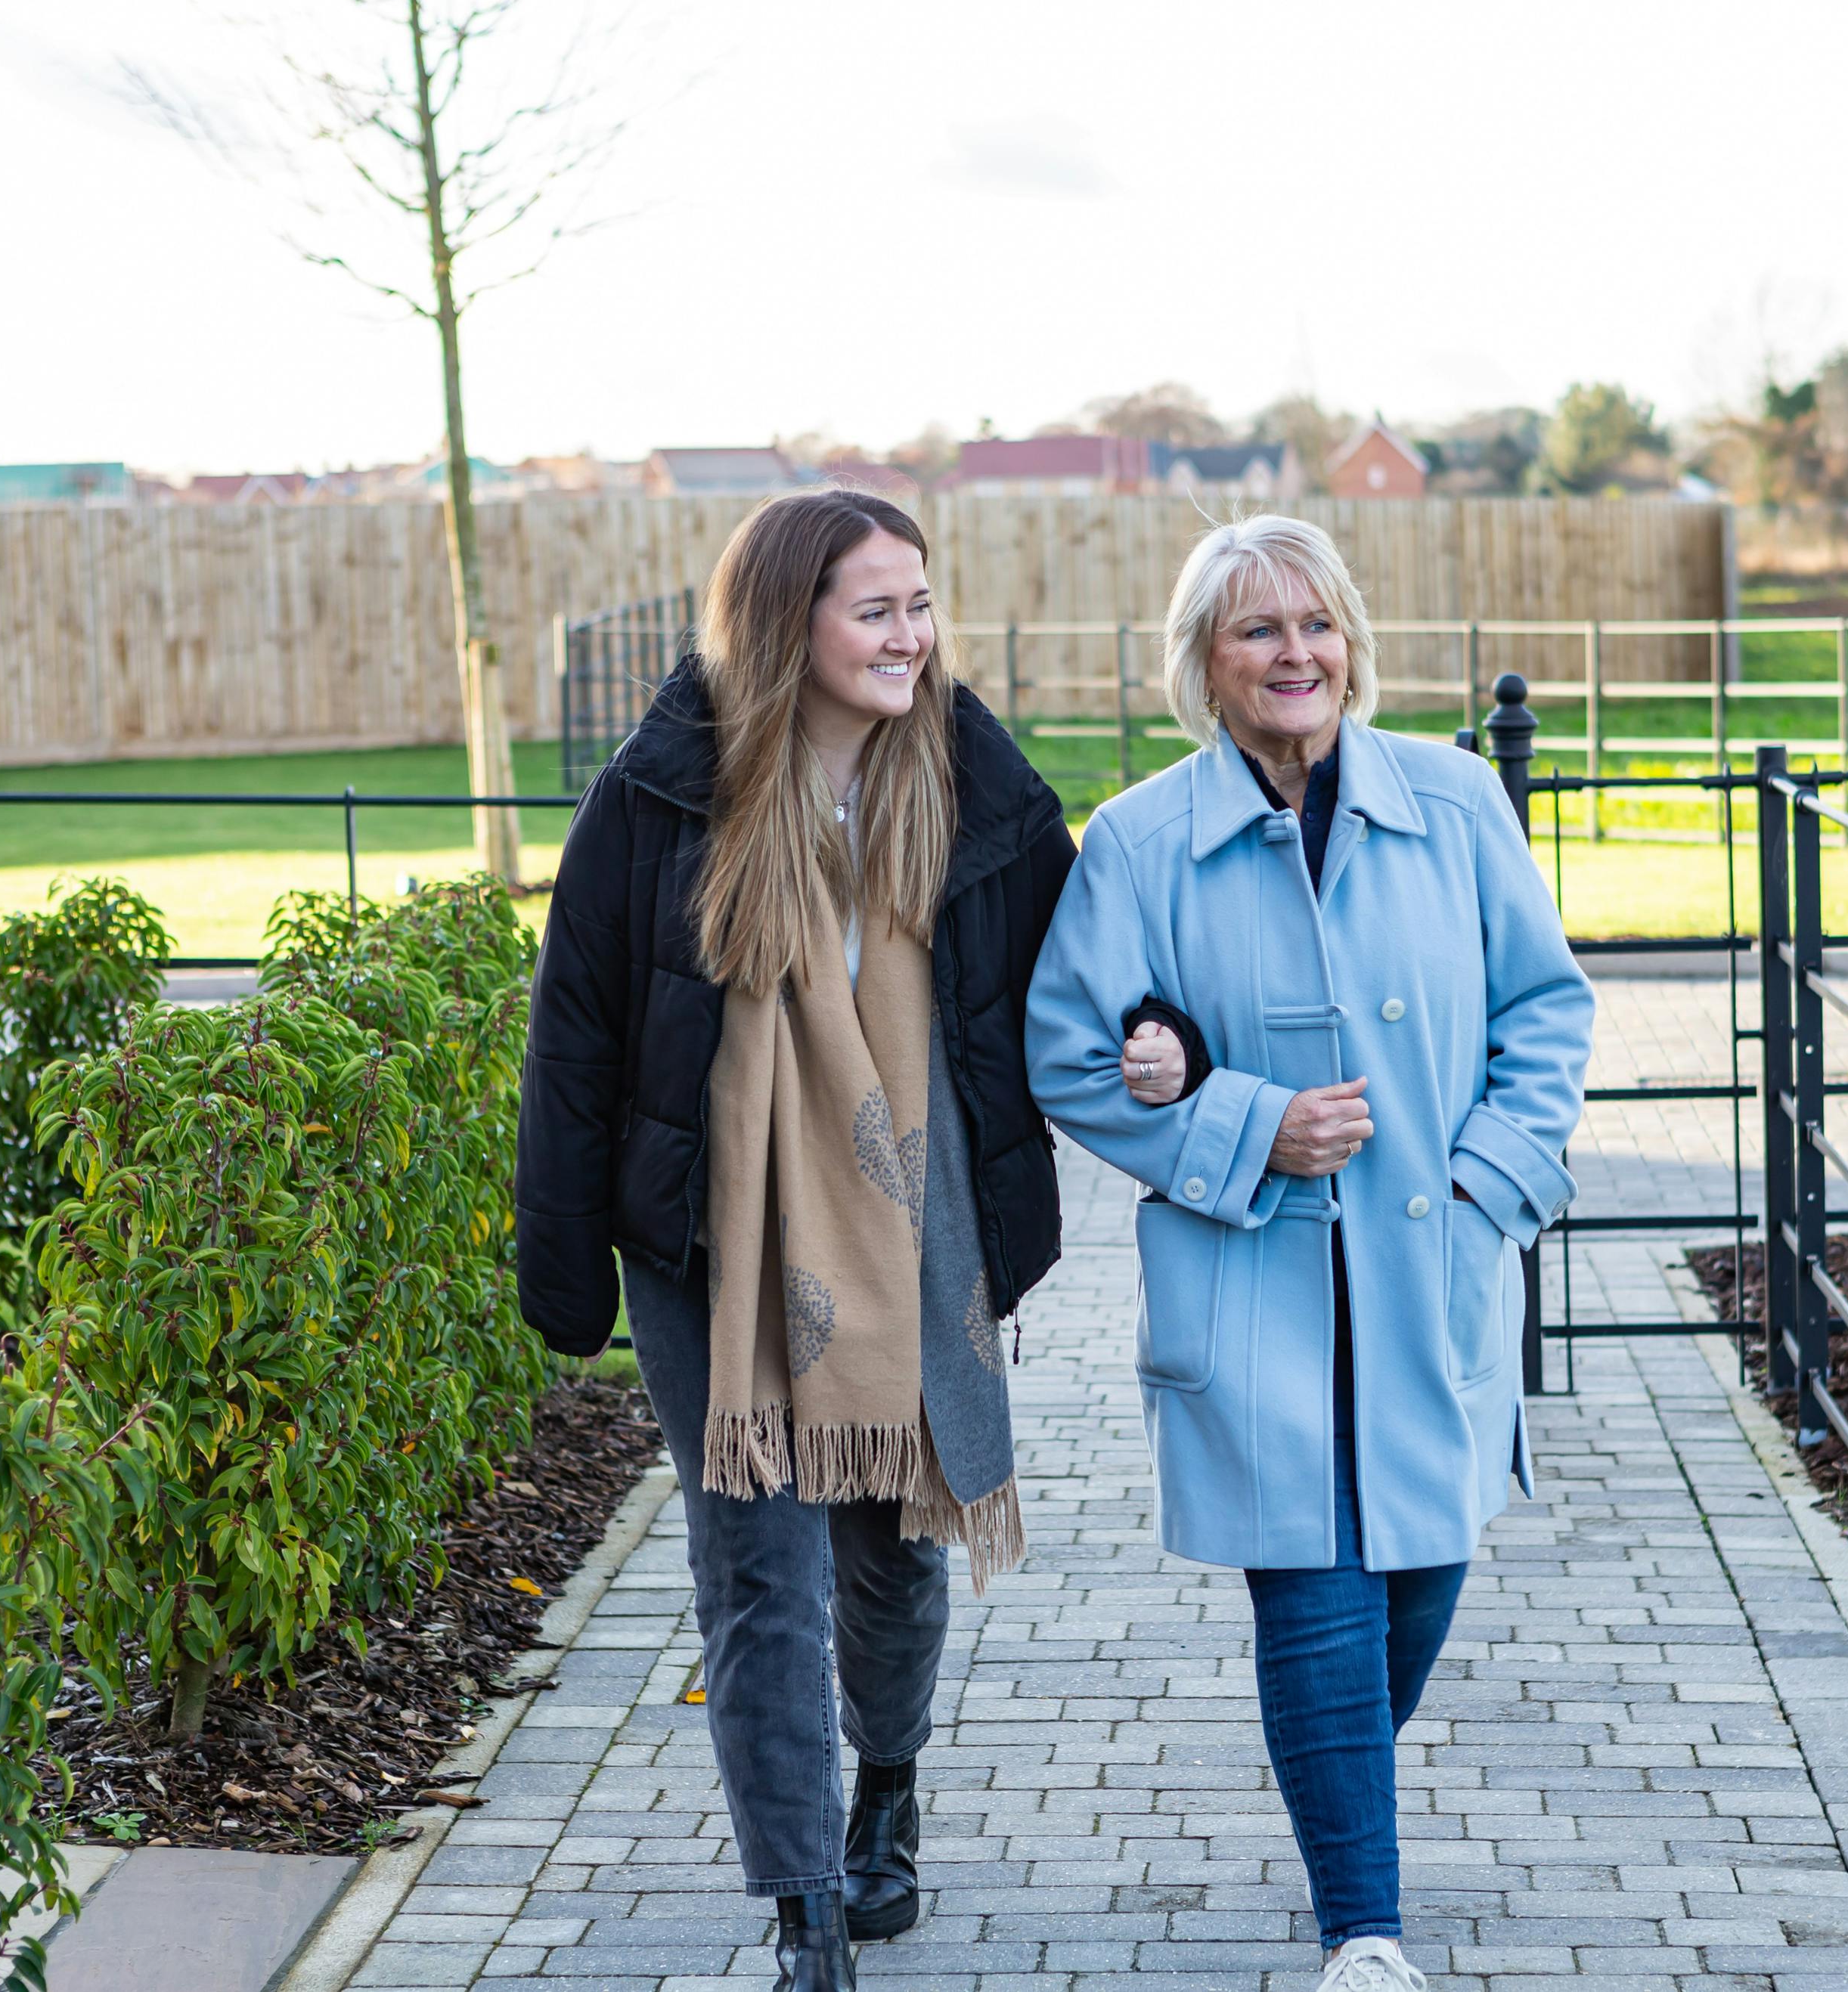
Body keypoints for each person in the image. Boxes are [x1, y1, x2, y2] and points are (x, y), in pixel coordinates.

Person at [516, 489, 1144, 1989]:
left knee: (892, 1540)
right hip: (710, 1238)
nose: (911, 636)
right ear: (785, 622)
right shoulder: (662, 792)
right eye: (877, 610)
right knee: (755, 1563)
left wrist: (1161, 1028)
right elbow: (576, 1035)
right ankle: (806, 1911)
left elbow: (1091, 966)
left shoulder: (976, 781)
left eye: (920, 604)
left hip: (920, 1219)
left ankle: (889, 1788)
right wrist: (566, 1264)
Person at [1025, 514, 1592, 1992]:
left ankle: (1334, 1780)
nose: (1296, 654)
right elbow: (1069, 1054)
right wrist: (1249, 1128)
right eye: (1258, 629)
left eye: (1317, 623)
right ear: (1204, 663)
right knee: (1314, 1587)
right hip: (1254, 1286)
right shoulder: (1141, 841)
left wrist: (1488, 1186)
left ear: (1353, 643)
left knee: (1419, 1578)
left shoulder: (1456, 803)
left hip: (1430, 1272)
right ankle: (1365, 1931)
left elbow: (1546, 1009)